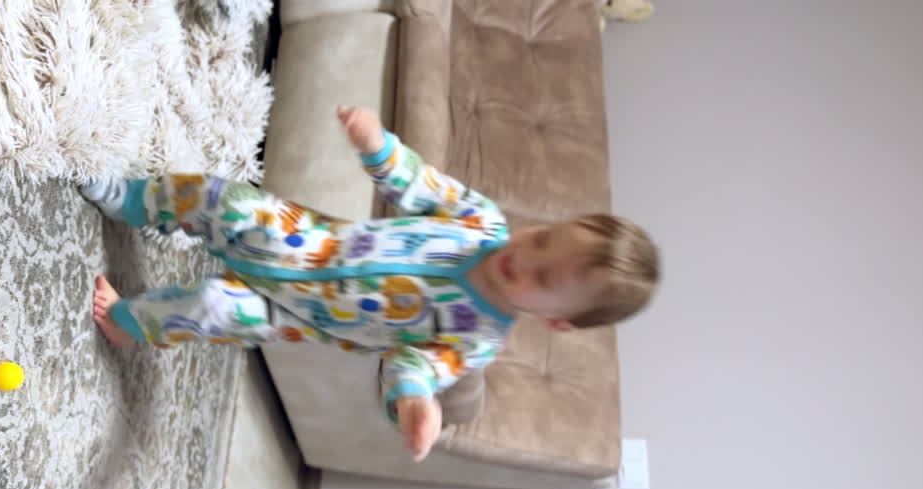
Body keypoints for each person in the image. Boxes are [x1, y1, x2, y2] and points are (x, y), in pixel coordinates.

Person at [79, 106, 660, 462]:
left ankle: (132, 323)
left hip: (298, 316)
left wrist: (415, 404)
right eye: (543, 239)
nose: (525, 257)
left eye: (545, 277)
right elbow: (420, 184)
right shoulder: (482, 221)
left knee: (211, 306)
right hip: (307, 241)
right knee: (224, 200)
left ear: (557, 321)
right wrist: (377, 145)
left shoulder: (476, 338)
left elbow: (413, 366)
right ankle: (131, 201)